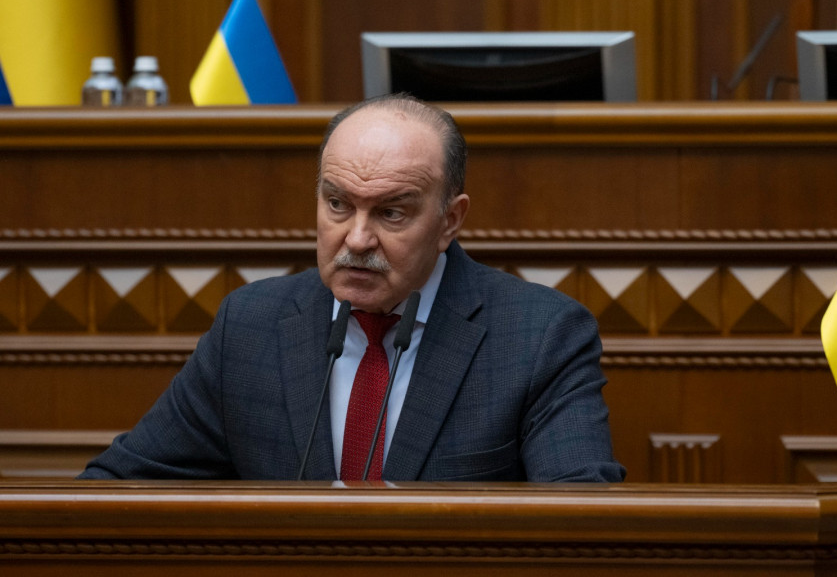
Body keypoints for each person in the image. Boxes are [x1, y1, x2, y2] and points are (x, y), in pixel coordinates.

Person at [79, 93, 625, 482]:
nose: (357, 239)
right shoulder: (249, 326)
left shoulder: (540, 336)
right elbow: (118, 488)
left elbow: (579, 522)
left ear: (450, 220)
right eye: (338, 204)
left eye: (391, 212)